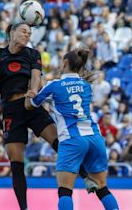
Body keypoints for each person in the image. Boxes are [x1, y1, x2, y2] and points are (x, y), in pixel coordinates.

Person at [0, 22, 97, 210]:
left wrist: (33, 93)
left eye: (30, 32)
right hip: (11, 110)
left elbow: (35, 77)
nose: (27, 35)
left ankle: (86, 178)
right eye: (23, 31)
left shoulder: (32, 54)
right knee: (16, 163)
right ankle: (24, 208)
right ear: (12, 32)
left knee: (59, 143)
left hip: (30, 106)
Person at [25, 49, 119, 210]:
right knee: (102, 188)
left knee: (65, 191)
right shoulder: (86, 85)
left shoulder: (54, 85)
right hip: (95, 138)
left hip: (72, 139)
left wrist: (31, 91)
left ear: (65, 63)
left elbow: (29, 105)